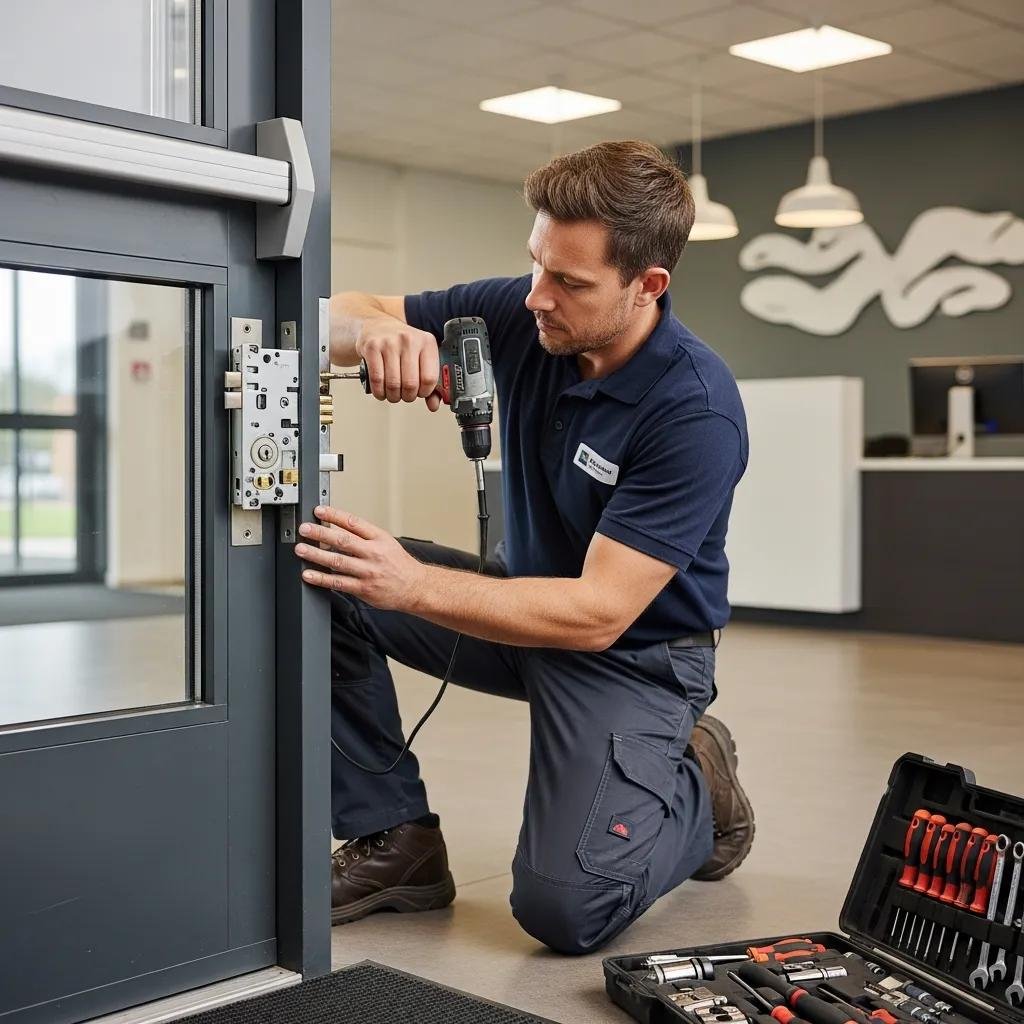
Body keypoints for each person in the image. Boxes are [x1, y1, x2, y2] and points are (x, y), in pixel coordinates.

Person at [295, 140, 753, 956]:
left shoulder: (695, 410)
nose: (538, 296)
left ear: (648, 286)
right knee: (323, 572)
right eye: (536, 264)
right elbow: (328, 310)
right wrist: (373, 330)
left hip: (634, 656)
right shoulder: (523, 309)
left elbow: (599, 614)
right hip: (521, 604)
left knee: (566, 912)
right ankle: (395, 840)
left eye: (570, 282)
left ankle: (700, 787)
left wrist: (411, 587)